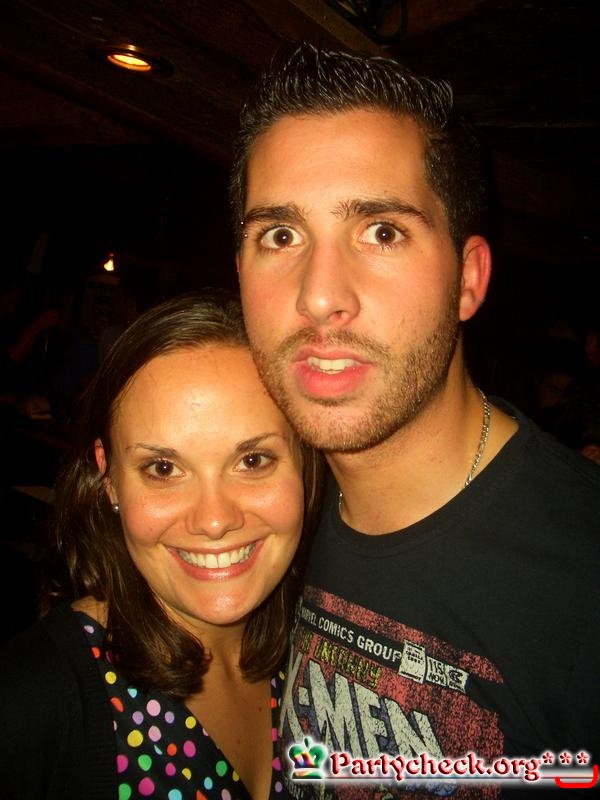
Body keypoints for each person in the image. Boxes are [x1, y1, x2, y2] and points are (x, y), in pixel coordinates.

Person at [232, 42, 600, 797]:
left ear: (468, 279)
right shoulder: (259, 517)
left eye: (382, 231)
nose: (319, 296)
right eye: (281, 235)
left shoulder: (582, 578)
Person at [0, 289, 323, 800]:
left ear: (305, 461)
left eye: (253, 460)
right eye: (164, 468)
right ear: (109, 478)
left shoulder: (324, 649)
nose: (214, 520)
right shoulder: (31, 701)